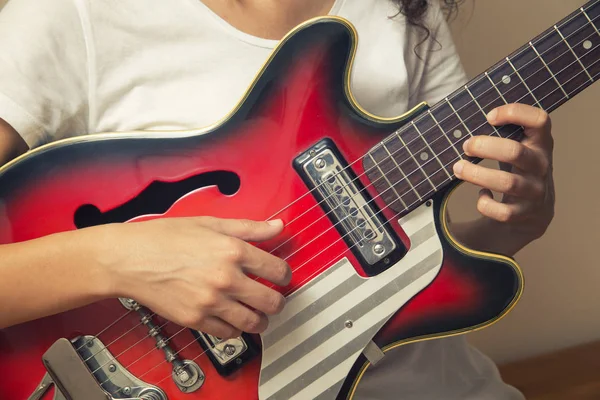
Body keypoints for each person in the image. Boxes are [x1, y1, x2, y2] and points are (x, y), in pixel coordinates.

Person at [0, 0, 555, 398]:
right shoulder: (69, 14)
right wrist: (121, 260)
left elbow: (422, 258)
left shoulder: (406, 9)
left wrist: (516, 220)